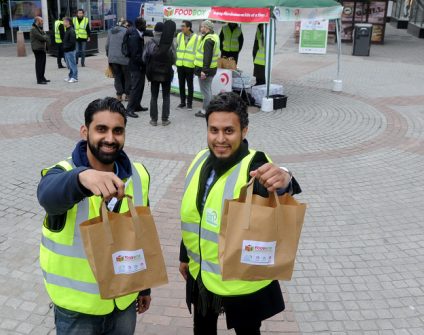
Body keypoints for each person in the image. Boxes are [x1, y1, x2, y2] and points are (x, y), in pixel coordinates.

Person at [179, 92, 301, 335]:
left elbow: (275, 182)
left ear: (244, 131)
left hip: (242, 283)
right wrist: (185, 255)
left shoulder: (254, 164)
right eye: (213, 130)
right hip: (202, 273)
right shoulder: (200, 160)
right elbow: (196, 216)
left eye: (229, 131)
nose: (220, 139)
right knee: (202, 330)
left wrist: (285, 176)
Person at [38, 97, 152, 335]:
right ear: (84, 131)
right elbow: (47, 196)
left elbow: (142, 235)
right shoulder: (64, 173)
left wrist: (144, 287)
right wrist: (82, 179)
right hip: (78, 310)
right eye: (101, 129)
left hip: (123, 304)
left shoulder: (138, 175)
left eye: (117, 131)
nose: (110, 138)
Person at [143, 21, 176, 127]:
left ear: (154, 31)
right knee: (166, 96)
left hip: (153, 73)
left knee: (154, 96)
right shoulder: (169, 43)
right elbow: (175, 59)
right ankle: (165, 119)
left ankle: (154, 120)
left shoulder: (149, 42)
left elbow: (144, 58)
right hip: (166, 74)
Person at [193, 20, 220, 118]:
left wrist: (204, 71)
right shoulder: (214, 37)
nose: (200, 28)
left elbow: (207, 57)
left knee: (206, 91)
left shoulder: (208, 40)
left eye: (202, 26)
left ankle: (206, 111)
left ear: (206, 28)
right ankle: (209, 109)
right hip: (211, 68)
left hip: (206, 70)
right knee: (207, 90)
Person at [126, 17, 148, 118]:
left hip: (140, 66)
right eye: (144, 24)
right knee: (135, 87)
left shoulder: (140, 34)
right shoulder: (134, 37)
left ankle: (137, 105)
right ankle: (130, 108)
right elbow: (135, 55)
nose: (146, 25)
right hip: (136, 66)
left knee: (141, 86)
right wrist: (144, 62)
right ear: (139, 25)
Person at [106, 18, 131, 102]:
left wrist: (108, 55)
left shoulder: (110, 32)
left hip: (113, 58)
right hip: (124, 58)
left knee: (117, 77)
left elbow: (107, 45)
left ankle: (119, 95)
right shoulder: (126, 32)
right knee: (127, 77)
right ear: (125, 24)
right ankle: (128, 95)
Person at [176, 20, 199, 111]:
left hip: (190, 65)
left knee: (190, 85)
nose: (182, 27)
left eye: (183, 26)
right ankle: (182, 102)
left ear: (189, 27)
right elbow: (176, 47)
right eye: (181, 26)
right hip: (180, 64)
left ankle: (189, 103)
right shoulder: (179, 35)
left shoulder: (197, 38)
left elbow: (198, 52)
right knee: (181, 84)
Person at [30, 16, 49, 85]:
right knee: (39, 65)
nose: (43, 23)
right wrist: (44, 37)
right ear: (37, 21)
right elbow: (42, 37)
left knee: (43, 64)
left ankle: (42, 77)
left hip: (42, 48)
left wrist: (44, 37)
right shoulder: (34, 29)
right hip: (37, 49)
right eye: (42, 21)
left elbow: (45, 35)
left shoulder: (39, 28)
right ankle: (39, 79)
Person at [62, 17, 78, 83]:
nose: (63, 23)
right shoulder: (68, 30)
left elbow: (72, 42)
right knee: (69, 65)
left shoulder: (71, 31)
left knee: (72, 64)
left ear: (68, 22)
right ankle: (70, 76)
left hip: (70, 51)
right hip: (67, 50)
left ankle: (75, 77)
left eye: (64, 22)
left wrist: (66, 47)